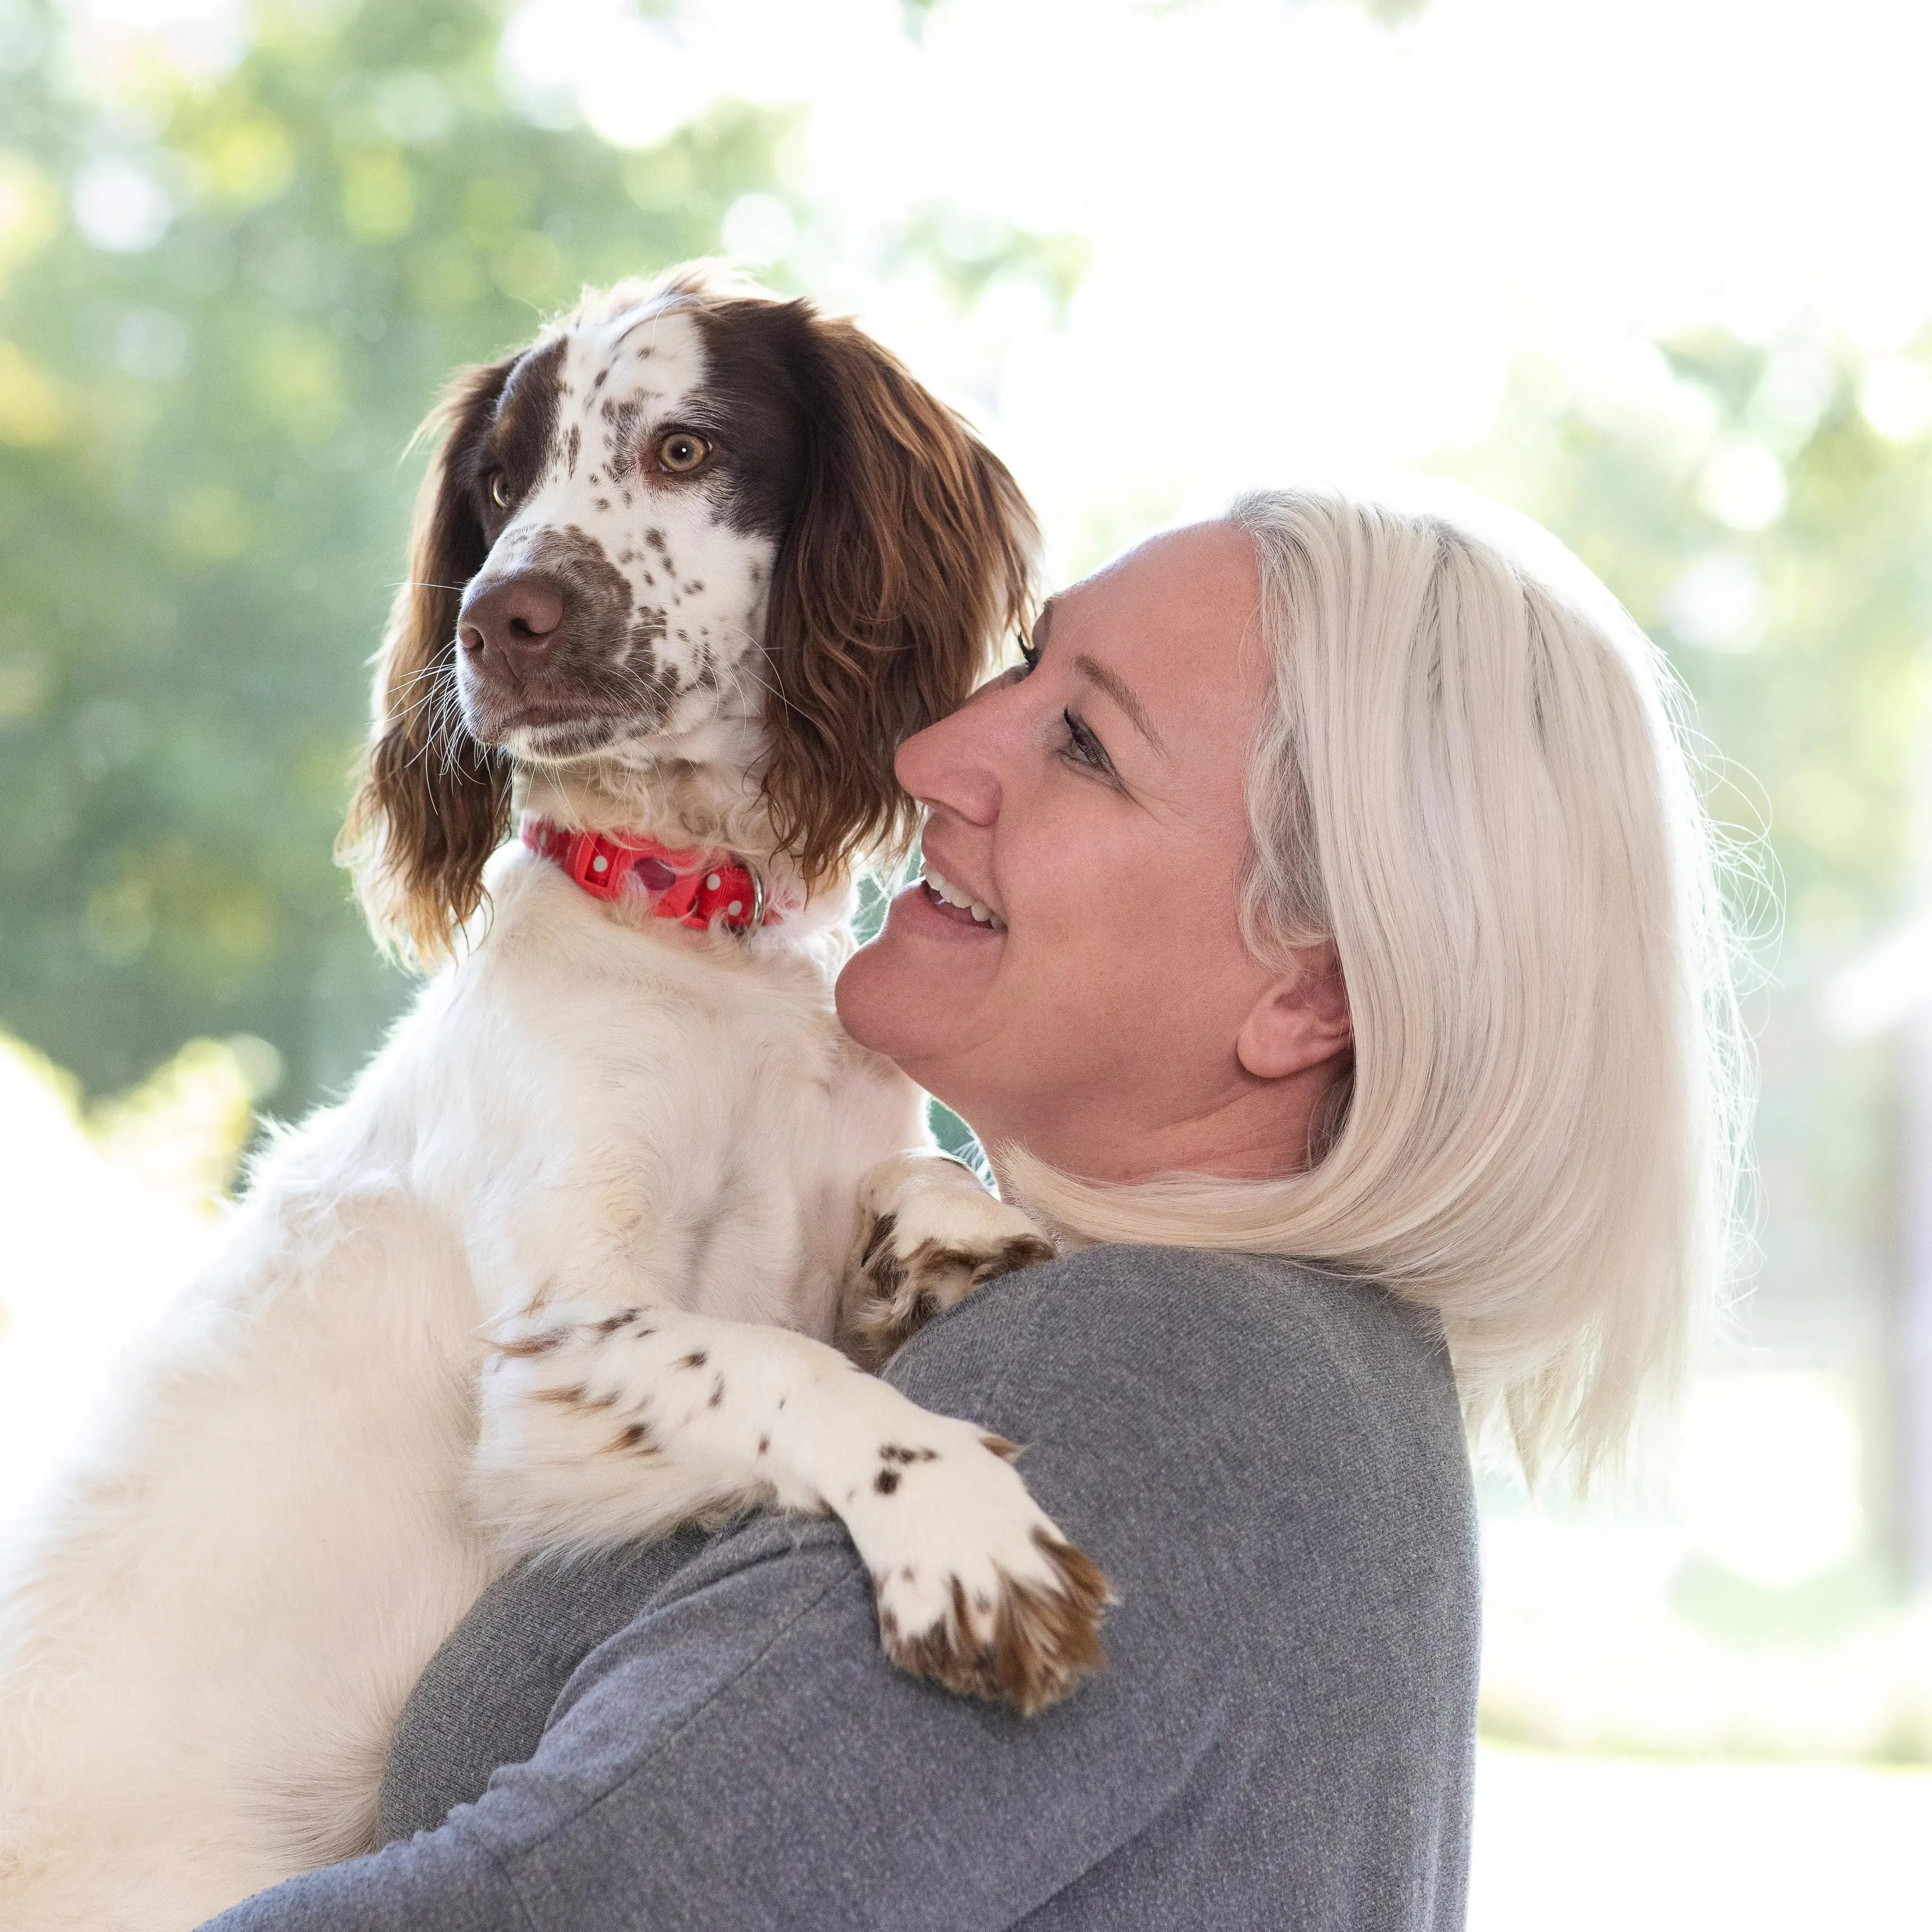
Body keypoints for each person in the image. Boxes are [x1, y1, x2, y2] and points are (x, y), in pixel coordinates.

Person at [200, 487, 1746, 1931]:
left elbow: (548, 1909)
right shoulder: (1216, 1363)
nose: (936, 751)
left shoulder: (1174, 1382)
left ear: (1311, 993)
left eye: (1081, 741)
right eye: (1025, 662)